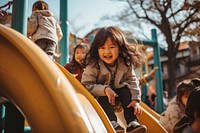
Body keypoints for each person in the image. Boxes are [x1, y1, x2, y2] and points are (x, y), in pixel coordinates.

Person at [81, 26, 147, 133]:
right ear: (97, 50)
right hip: (100, 97)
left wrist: (136, 100)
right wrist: (105, 90)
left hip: (118, 95)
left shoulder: (125, 63)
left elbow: (132, 81)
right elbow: (86, 85)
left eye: (111, 47)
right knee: (102, 97)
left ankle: (132, 123)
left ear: (119, 48)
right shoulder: (94, 65)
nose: (107, 51)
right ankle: (112, 123)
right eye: (102, 48)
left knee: (126, 91)